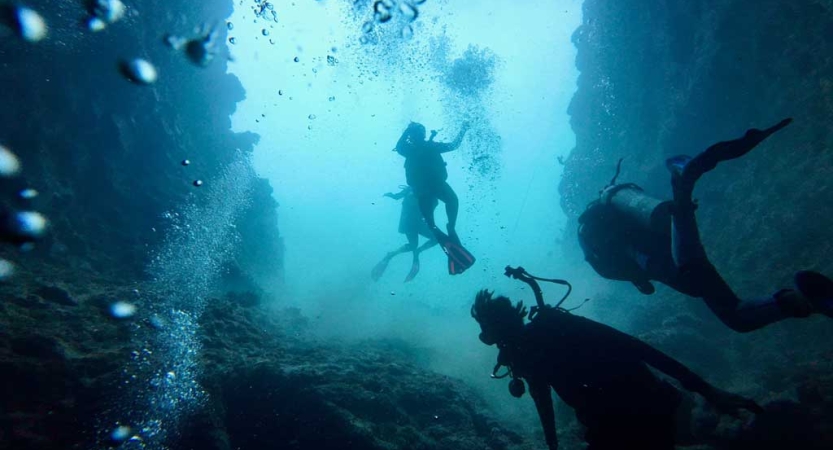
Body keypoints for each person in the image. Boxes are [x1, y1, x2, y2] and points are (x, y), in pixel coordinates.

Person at [578, 118, 833, 332]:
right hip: (670, 234)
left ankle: (682, 184)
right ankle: (809, 299)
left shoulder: (606, 249)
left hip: (675, 258)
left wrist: (642, 281)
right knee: (734, 313)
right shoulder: (616, 222)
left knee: (726, 309)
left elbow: (638, 275)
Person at [471, 266, 763, 450]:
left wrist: (709, 391)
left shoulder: (553, 328)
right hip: (627, 420)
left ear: (500, 327)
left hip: (643, 413)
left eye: (486, 329)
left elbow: (634, 346)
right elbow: (543, 402)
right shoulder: (527, 352)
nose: (485, 337)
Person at [394, 121, 475, 274]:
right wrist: (407, 130)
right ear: (412, 136)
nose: (420, 135)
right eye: (417, 133)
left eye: (421, 132)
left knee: (451, 202)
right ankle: (447, 229)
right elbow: (399, 147)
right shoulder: (411, 149)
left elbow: (453, 145)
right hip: (426, 189)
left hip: (432, 186)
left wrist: (463, 129)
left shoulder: (426, 147)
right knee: (434, 220)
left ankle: (450, 227)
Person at [370, 185, 438, 282]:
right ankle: (392, 254)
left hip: (419, 223)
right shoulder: (413, 188)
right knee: (414, 245)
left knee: (434, 239)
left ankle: (415, 252)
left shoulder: (430, 192)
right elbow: (399, 197)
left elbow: (429, 210)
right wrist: (392, 195)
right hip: (409, 223)